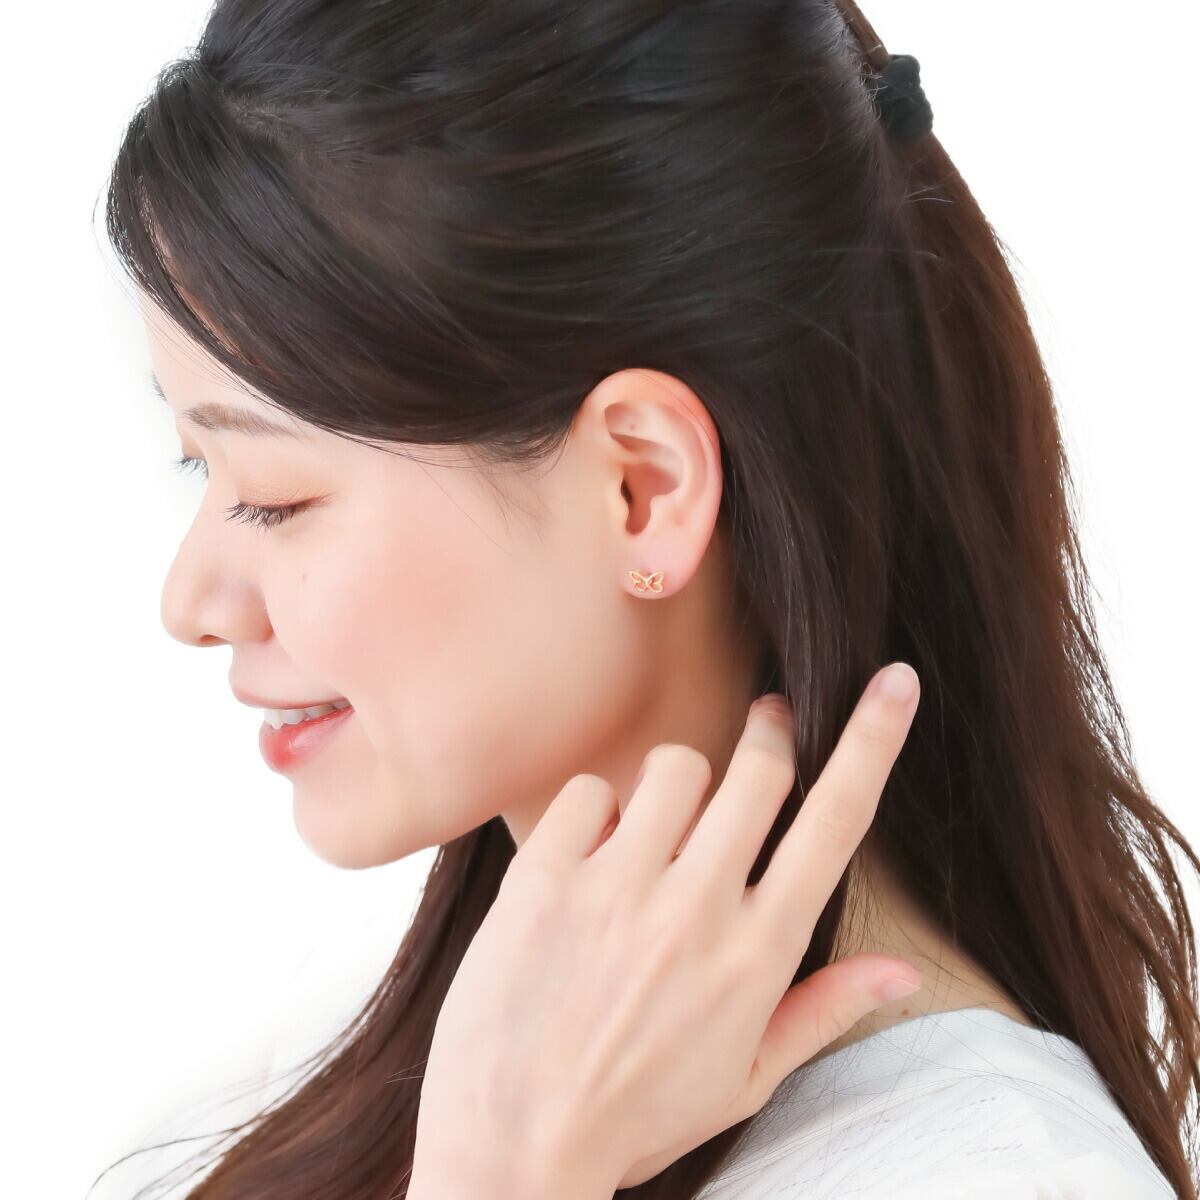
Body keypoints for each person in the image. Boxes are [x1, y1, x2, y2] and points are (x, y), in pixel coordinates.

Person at [100, 0, 1199, 1196]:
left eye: (272, 496)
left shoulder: (996, 1177)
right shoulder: (379, 1072)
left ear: (643, 487)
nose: (190, 601)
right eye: (198, 469)